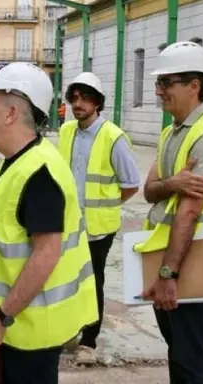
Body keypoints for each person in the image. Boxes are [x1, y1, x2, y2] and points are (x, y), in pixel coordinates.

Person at [0, 62, 99, 384]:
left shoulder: (38, 173)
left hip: (31, 333)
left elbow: (46, 254)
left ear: (11, 113)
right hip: (21, 327)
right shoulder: (23, 162)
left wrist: (1, 318)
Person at [137, 41, 203, 383]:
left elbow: (190, 213)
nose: (158, 91)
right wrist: (173, 183)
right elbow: (150, 191)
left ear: (194, 86)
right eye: (158, 83)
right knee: (179, 351)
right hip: (170, 256)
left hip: (194, 260)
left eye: (166, 83)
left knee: (194, 357)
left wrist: (168, 275)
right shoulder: (171, 133)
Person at [57, 72, 141, 365]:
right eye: (74, 98)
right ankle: (69, 330)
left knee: (93, 283)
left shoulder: (113, 137)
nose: (78, 104)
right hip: (68, 225)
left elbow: (131, 184)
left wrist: (107, 205)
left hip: (97, 229)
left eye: (85, 98)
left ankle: (88, 342)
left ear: (98, 103)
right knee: (66, 280)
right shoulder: (66, 132)